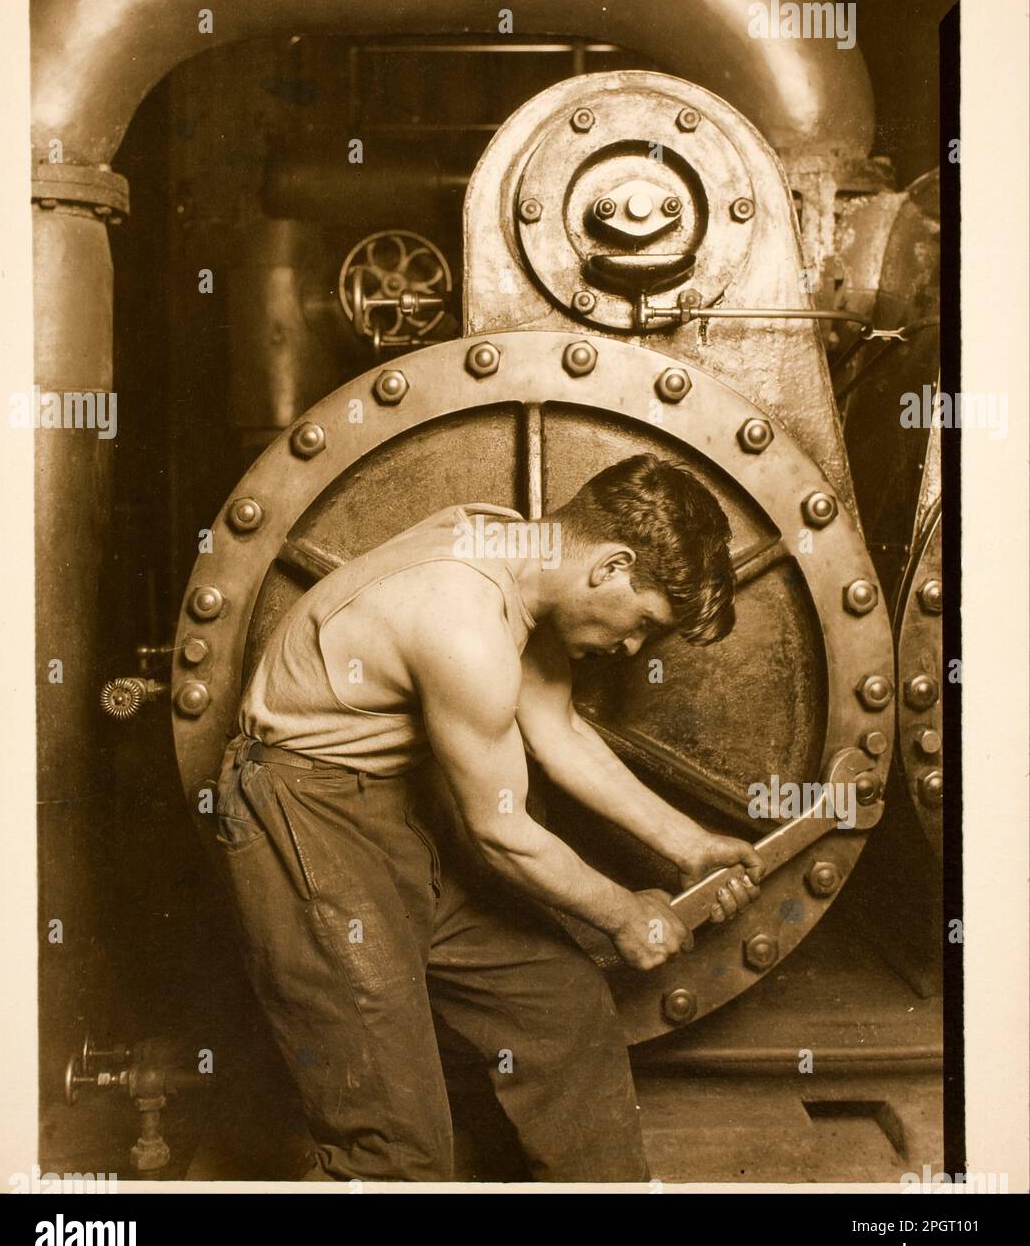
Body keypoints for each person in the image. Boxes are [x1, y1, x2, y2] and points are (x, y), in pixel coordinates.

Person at [213, 453, 764, 1182]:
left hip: (399, 809)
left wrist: (689, 845)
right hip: (305, 820)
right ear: (609, 566)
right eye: (641, 623)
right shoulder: (461, 620)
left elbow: (556, 727)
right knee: (394, 1138)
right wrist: (623, 912)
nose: (630, 649)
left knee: (559, 1010)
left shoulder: (513, 551)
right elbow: (500, 831)